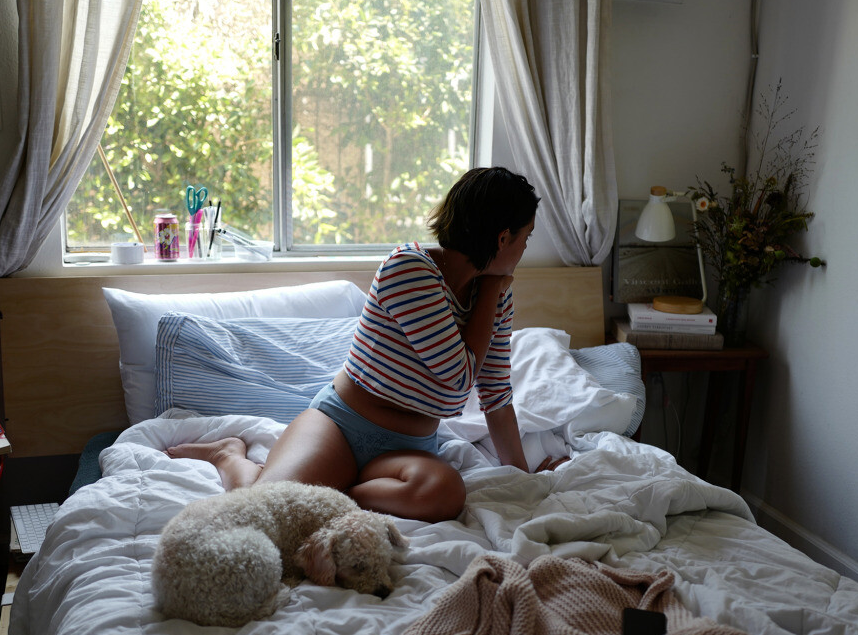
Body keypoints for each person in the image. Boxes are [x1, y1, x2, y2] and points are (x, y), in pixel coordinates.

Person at [169, 166, 563, 522]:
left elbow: (495, 395)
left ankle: (334, 493)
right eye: (525, 238)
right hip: (340, 427)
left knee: (446, 493)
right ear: (503, 237)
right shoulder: (410, 269)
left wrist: (523, 477)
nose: (524, 250)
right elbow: (458, 378)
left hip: (408, 450)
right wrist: (492, 288)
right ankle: (228, 455)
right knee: (266, 512)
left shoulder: (496, 300)